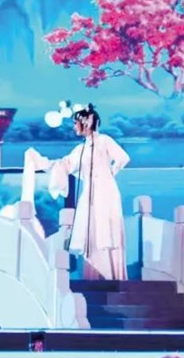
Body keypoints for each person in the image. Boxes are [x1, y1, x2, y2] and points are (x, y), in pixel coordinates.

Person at [24, 104, 130, 280]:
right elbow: (64, 165)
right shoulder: (81, 149)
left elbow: (123, 158)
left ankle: (112, 276)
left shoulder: (104, 140)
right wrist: (41, 162)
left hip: (106, 191)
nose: (74, 127)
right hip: (89, 190)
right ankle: (94, 276)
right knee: (90, 230)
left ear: (86, 123)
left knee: (105, 228)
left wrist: (109, 173)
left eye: (76, 123)